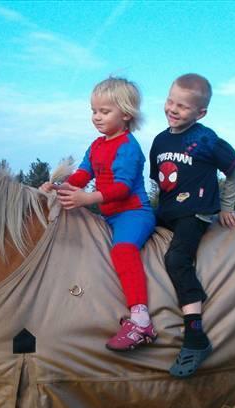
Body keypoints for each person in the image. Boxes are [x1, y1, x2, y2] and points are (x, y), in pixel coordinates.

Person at [41, 77, 157, 351]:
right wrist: (59, 188)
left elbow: (122, 187)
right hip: (108, 213)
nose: (96, 117)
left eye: (104, 112)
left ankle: (141, 319)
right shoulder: (96, 146)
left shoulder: (128, 147)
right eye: (93, 111)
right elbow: (83, 174)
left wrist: (87, 199)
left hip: (132, 212)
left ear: (126, 114)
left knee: (123, 251)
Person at [150, 73, 235, 378]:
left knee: (177, 259)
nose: (173, 109)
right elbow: (160, 182)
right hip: (167, 210)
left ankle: (195, 336)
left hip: (195, 213)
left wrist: (226, 206)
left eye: (182, 106)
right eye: (170, 101)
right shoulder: (160, 140)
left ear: (200, 113)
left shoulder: (206, 139)